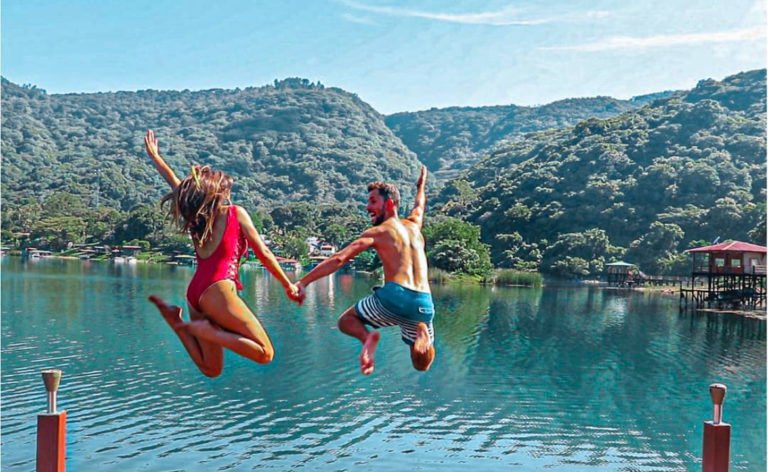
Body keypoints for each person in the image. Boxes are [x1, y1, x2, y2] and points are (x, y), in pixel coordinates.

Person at [142, 130, 301, 377]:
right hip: (218, 289)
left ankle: (177, 321)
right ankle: (208, 331)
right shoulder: (235, 213)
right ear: (219, 194)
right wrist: (287, 284)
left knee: (211, 369)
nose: (229, 195)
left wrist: (155, 158)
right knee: (265, 353)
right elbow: (265, 253)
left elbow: (175, 184)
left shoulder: (196, 220)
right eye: (226, 191)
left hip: (195, 293)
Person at [296, 166, 435, 375]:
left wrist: (303, 282)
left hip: (395, 296)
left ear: (389, 204)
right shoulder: (414, 225)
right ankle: (422, 332)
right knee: (421, 364)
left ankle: (367, 338)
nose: (367, 206)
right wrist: (421, 185)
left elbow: (339, 258)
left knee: (346, 321)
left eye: (372, 201)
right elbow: (420, 205)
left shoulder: (378, 232)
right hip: (424, 303)